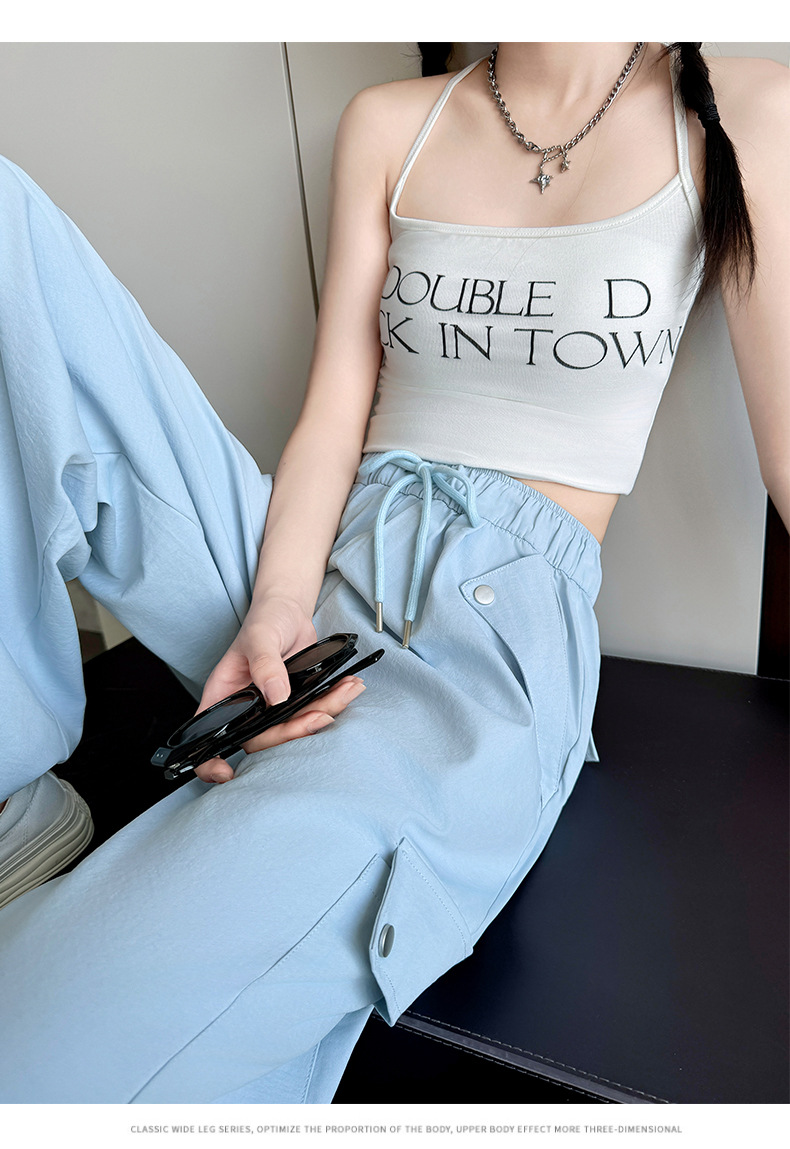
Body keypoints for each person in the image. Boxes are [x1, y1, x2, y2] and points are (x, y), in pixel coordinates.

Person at [0, 42, 787, 1103]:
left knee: (54, 1031)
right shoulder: (388, 121)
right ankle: (12, 806)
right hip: (320, 547)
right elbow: (336, 414)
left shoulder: (738, 106)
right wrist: (278, 606)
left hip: (486, 636)